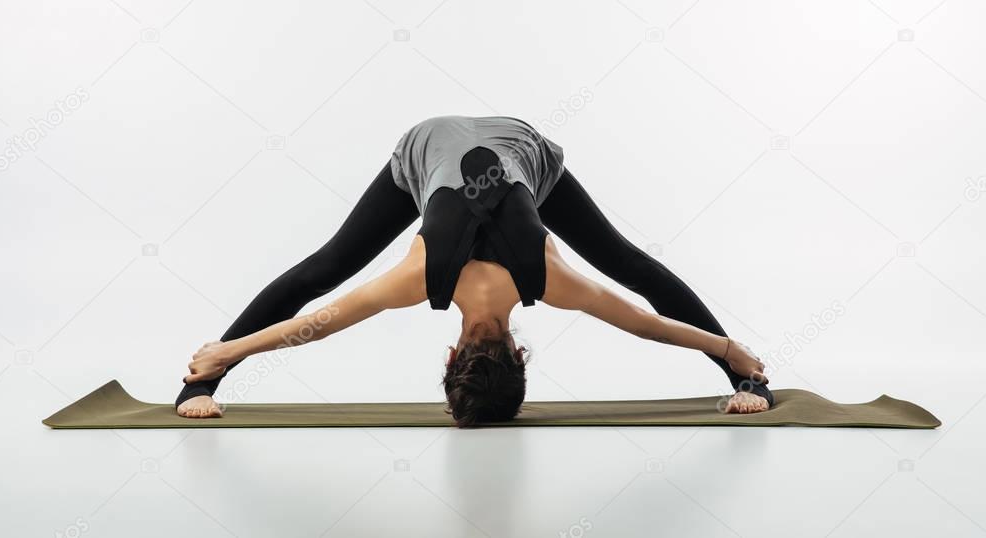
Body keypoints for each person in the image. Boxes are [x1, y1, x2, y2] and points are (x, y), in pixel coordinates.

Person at [178, 115, 772, 425]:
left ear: (520, 356)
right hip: (461, 147)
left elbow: (645, 324)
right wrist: (225, 352)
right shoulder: (422, 278)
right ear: (448, 359)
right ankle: (199, 383)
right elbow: (321, 324)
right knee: (327, 270)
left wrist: (732, 349)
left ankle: (744, 382)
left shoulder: (547, 279)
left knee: (324, 267)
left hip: (487, 145)